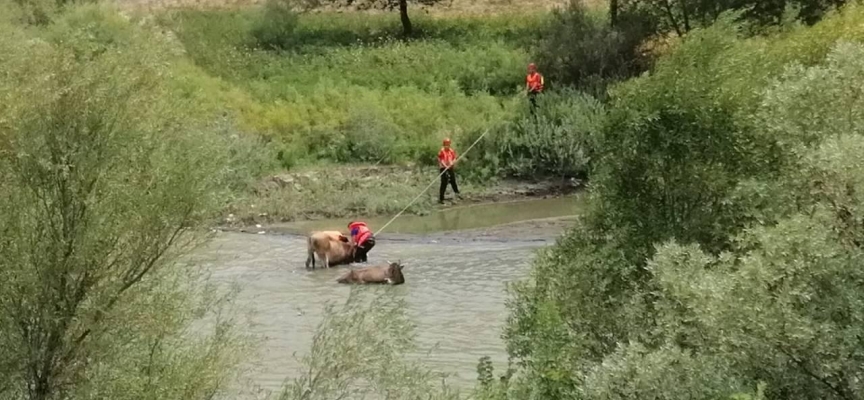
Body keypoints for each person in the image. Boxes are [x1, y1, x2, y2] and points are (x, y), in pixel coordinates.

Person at [438, 138, 460, 204]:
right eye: (445, 145)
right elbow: (440, 160)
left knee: (453, 180)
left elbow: (454, 158)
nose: (447, 146)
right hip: (443, 168)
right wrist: (445, 166)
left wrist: (453, 162)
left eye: (448, 144)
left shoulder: (451, 151)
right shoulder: (441, 151)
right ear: (444, 145)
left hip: (450, 168)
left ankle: (457, 193)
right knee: (444, 183)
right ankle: (441, 198)